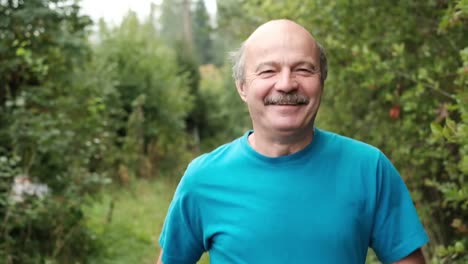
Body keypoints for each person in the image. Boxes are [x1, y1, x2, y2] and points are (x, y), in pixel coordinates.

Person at [157, 19, 428, 264]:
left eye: (303, 69)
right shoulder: (203, 178)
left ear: (321, 81)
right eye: (267, 71)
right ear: (242, 87)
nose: (286, 84)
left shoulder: (369, 169)